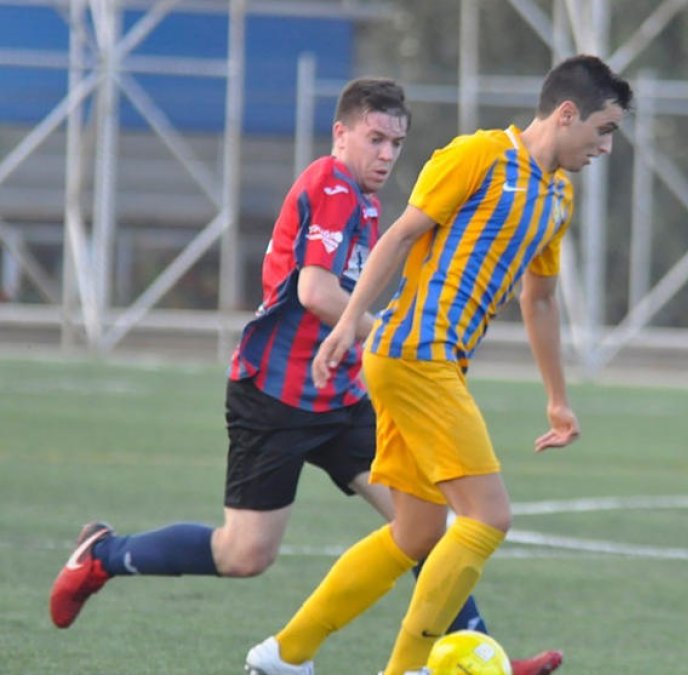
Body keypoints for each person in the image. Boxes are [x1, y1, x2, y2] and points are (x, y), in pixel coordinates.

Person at [47, 76, 562, 675]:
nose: (387, 155)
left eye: (396, 143)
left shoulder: (365, 200)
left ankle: (474, 655)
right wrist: (392, 335)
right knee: (244, 554)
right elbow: (315, 292)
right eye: (375, 139)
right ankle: (105, 555)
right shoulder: (331, 185)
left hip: (342, 396)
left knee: (421, 523)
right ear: (341, 134)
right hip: (277, 395)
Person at [243, 54, 633, 675]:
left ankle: (285, 654)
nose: (606, 147)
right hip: (414, 354)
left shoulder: (559, 195)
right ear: (566, 114)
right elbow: (400, 236)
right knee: (488, 516)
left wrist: (557, 399)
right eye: (603, 129)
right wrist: (348, 322)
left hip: (429, 362)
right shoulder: (477, 156)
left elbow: (540, 299)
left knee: (417, 533)